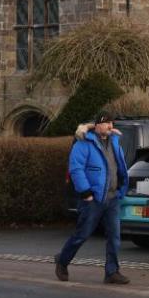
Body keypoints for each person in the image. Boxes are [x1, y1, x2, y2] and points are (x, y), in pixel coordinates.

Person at [55, 111, 130, 284]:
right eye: (106, 123)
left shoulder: (114, 141)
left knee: (114, 237)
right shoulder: (84, 142)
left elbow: (118, 166)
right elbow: (76, 168)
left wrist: (121, 189)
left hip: (112, 198)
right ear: (96, 125)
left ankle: (112, 272)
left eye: (112, 123)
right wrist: (85, 192)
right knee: (82, 234)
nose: (110, 126)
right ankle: (62, 260)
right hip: (93, 199)